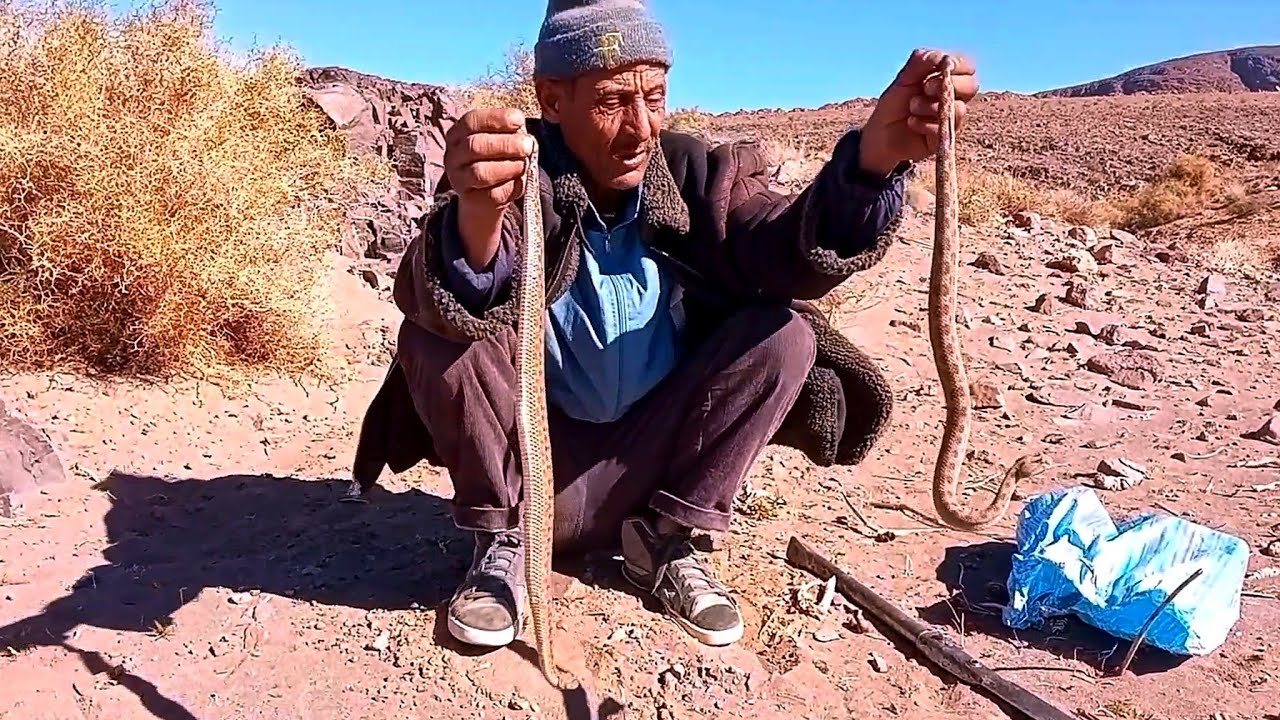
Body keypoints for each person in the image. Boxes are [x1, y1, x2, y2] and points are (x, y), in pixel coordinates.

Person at [350, 0, 978, 650]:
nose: (641, 128)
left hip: (644, 470)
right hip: (531, 474)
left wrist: (874, 160)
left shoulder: (692, 174)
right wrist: (479, 214)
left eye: (654, 98)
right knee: (436, 335)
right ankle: (503, 543)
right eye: (612, 102)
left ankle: (664, 539)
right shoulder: (513, 178)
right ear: (552, 99)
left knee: (785, 334)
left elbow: (782, 247)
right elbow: (451, 287)